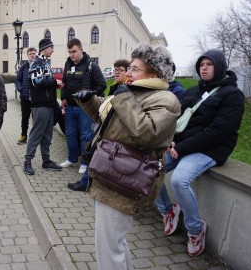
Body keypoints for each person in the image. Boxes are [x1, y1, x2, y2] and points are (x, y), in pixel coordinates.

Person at [73, 42, 180, 269]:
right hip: (110, 175)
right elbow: (107, 120)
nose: (128, 73)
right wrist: (90, 101)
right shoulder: (132, 93)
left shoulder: (165, 100)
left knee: (108, 248)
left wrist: (123, 99)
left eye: (135, 68)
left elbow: (147, 134)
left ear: (154, 73)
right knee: (114, 243)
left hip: (125, 180)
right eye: (129, 67)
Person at [155, 49, 244, 257]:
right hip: (182, 146)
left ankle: (195, 231)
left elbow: (217, 131)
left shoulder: (232, 95)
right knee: (152, 169)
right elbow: (180, 122)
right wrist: (172, 142)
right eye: (201, 65)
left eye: (209, 64)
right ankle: (168, 211)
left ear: (220, 67)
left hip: (210, 149)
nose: (204, 68)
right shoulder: (193, 90)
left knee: (179, 180)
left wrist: (181, 148)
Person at [60, 38, 106, 174]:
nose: (71, 55)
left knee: (85, 136)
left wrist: (90, 94)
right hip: (70, 108)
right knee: (69, 134)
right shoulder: (68, 64)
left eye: (74, 51)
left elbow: (102, 85)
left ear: (81, 50)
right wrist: (63, 97)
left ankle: (85, 163)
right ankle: (72, 159)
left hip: (85, 109)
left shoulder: (92, 65)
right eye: (69, 52)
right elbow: (64, 83)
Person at [23, 38, 63, 175]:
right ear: (44, 48)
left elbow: (46, 81)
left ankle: (46, 161)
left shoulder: (44, 62)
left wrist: (55, 84)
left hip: (49, 104)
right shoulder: (36, 63)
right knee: (36, 133)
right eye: (51, 47)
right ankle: (27, 161)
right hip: (40, 105)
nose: (53, 50)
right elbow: (37, 83)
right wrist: (54, 81)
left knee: (47, 135)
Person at [15, 47, 37, 145]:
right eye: (30, 53)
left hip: (37, 99)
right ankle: (23, 136)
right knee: (25, 118)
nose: (32, 55)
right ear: (27, 55)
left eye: (34, 53)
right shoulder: (23, 67)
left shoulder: (39, 66)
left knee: (36, 119)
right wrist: (21, 89)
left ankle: (35, 138)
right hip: (25, 98)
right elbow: (17, 80)